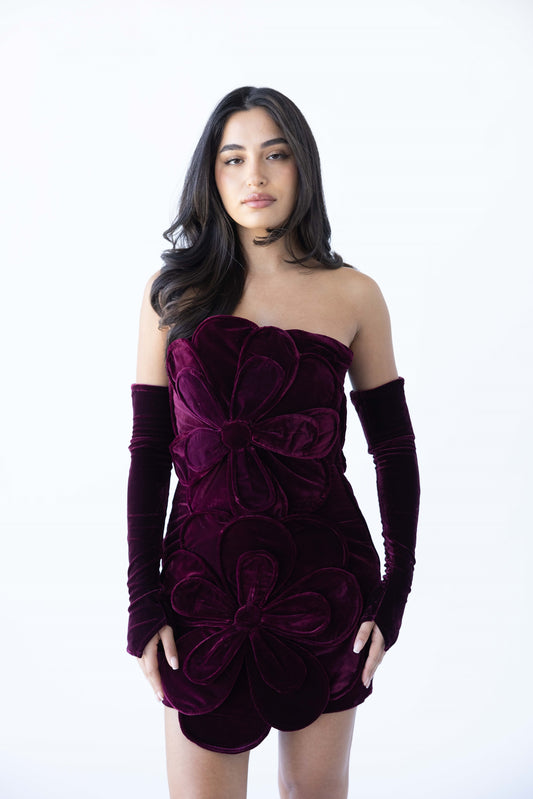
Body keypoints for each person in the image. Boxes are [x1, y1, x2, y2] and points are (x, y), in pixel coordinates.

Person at [126, 86, 420, 799]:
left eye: (274, 154)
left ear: (302, 167)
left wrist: (393, 598)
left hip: (326, 585)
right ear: (211, 174)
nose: (253, 175)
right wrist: (143, 600)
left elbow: (394, 452)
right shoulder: (171, 294)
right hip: (200, 588)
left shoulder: (354, 294)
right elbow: (149, 452)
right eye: (233, 158)